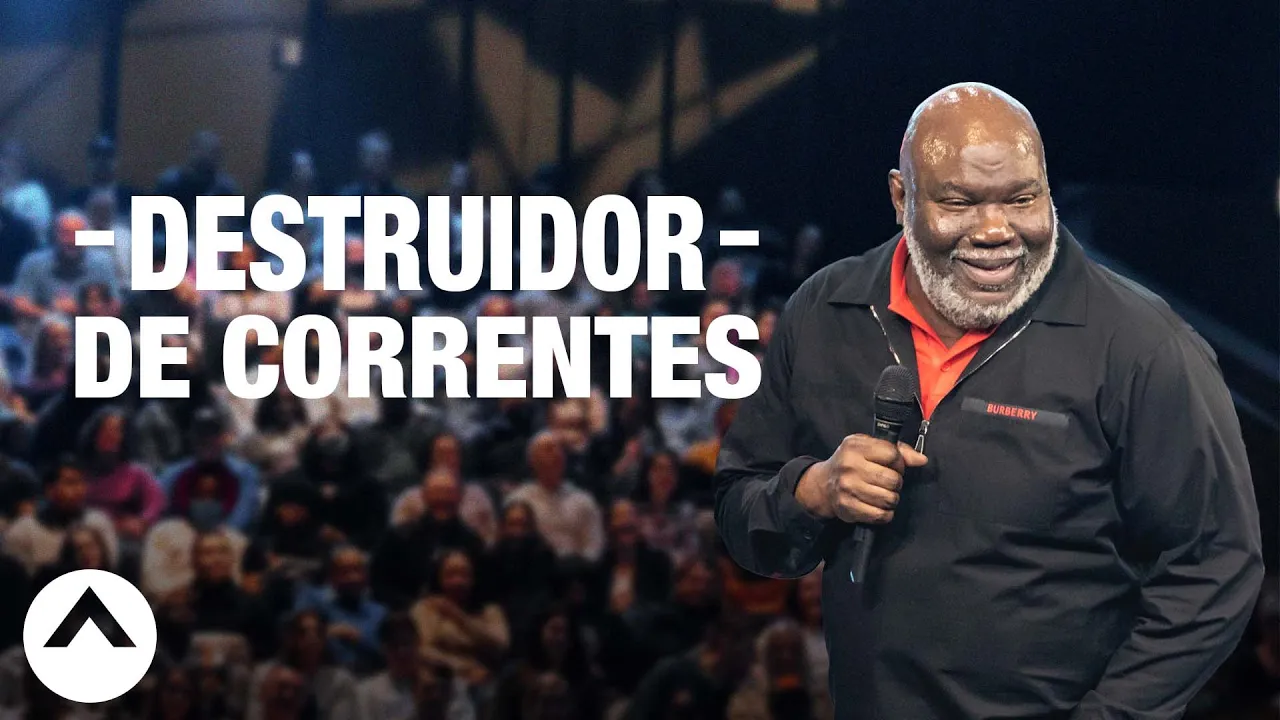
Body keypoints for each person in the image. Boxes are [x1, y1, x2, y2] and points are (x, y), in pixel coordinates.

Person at [713, 82, 1264, 719]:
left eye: (1022, 198)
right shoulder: (824, 311)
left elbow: (1216, 566)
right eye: (960, 202)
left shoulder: (1142, 345)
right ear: (901, 198)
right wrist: (811, 492)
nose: (996, 230)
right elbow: (740, 508)